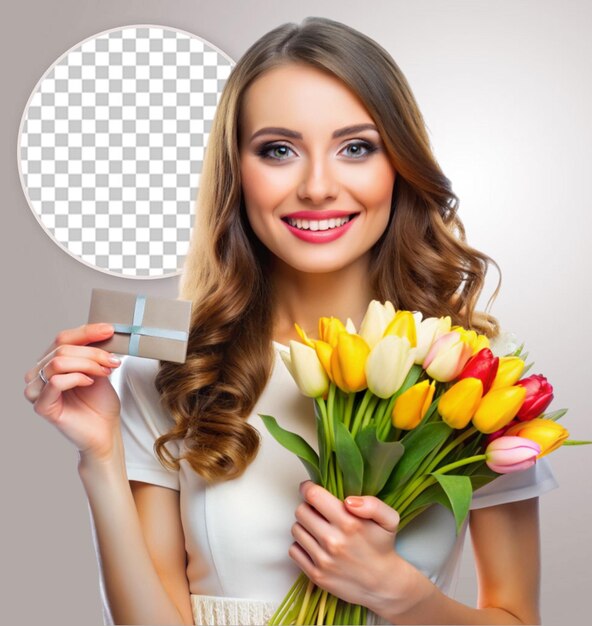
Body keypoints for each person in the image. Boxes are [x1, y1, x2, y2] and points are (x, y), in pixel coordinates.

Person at [23, 16, 558, 626]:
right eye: (278, 150)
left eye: (356, 147)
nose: (318, 186)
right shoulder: (176, 362)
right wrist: (101, 457)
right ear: (237, 170)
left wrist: (404, 597)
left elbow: (519, 618)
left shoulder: (474, 368)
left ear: (399, 164)